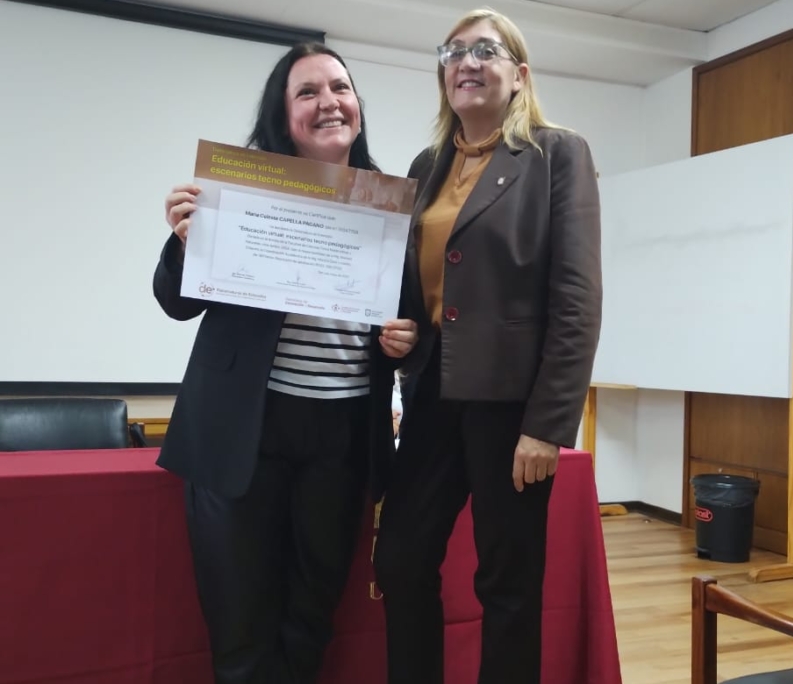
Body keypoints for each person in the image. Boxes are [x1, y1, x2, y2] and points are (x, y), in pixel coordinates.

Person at [152, 42, 418, 684]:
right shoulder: (237, 193)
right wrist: (185, 241)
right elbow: (175, 304)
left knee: (310, 620)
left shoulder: (388, 205)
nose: (330, 102)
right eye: (308, 92)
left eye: (341, 87)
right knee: (240, 626)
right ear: (284, 115)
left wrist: (407, 338)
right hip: (243, 430)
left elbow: (411, 316)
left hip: (342, 437)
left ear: (357, 105)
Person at [373, 8, 602, 684]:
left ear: (518, 74)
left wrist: (547, 425)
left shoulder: (557, 154)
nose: (466, 62)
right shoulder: (426, 165)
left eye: (484, 51)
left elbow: (576, 299)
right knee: (401, 559)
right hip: (430, 393)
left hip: (512, 409)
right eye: (453, 52)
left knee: (507, 581)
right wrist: (403, 330)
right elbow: (419, 282)